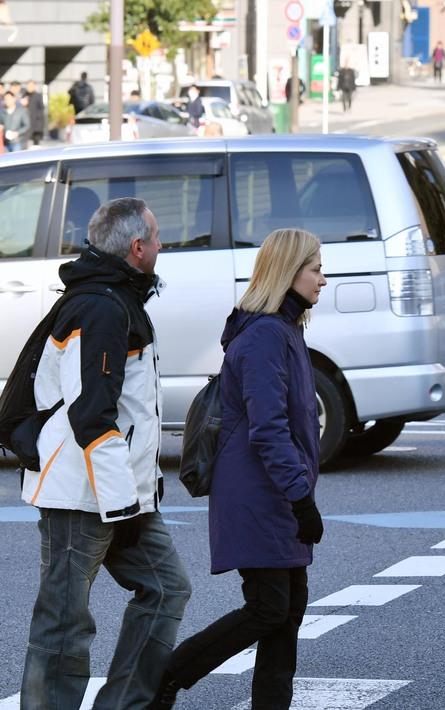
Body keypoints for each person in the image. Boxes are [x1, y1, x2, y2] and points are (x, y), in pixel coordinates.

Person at [19, 197, 192, 709]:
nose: (162, 245)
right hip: (81, 495)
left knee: (165, 590)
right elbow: (91, 416)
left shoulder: (119, 298)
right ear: (138, 248)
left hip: (115, 493)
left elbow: (131, 412)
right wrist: (126, 506)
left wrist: (135, 500)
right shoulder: (99, 307)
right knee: (64, 625)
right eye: (157, 237)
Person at [149, 228, 326, 710]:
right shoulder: (266, 336)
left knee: (286, 613)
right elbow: (268, 430)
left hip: (275, 494)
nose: (322, 280)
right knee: (269, 609)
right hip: (261, 495)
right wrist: (300, 498)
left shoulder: (285, 329)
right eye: (315, 269)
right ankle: (166, 676)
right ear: (289, 273)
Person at [25, 79, 45, 146]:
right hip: (27, 123)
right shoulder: (25, 95)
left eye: (31, 86)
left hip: (36, 124)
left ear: (34, 86)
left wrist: (38, 121)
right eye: (28, 86)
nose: (29, 87)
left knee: (36, 144)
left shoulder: (38, 96)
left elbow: (41, 109)